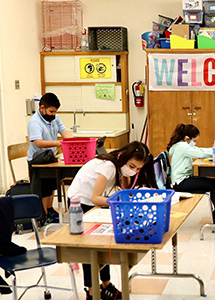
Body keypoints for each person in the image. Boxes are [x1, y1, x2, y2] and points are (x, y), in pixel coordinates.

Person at [67, 141, 157, 300]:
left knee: (103, 242)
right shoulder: (108, 165)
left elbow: (126, 190)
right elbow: (96, 198)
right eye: (132, 166)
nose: (133, 171)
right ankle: (91, 290)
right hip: (79, 201)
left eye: (138, 169)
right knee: (90, 246)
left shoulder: (122, 167)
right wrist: (120, 201)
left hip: (94, 201)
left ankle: (106, 284)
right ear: (124, 157)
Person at [167, 124, 215, 224]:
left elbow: (199, 150)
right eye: (194, 141)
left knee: (214, 183)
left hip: (183, 180)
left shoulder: (181, 145)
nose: (195, 143)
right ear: (187, 138)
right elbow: (200, 153)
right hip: (181, 183)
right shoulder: (182, 147)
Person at [27, 92, 73, 223]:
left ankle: (50, 209)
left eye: (55, 112)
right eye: (51, 111)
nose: (53, 114)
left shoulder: (55, 118)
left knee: (52, 185)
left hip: (50, 158)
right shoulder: (34, 122)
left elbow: (65, 133)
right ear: (42, 108)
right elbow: (38, 142)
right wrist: (59, 143)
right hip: (37, 161)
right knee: (43, 189)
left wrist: (74, 143)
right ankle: (43, 215)